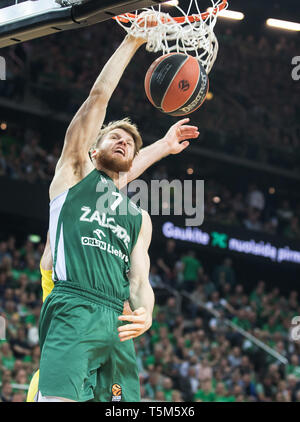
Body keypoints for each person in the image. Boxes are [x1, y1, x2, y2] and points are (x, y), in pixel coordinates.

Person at [31, 25, 199, 403]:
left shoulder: (138, 217)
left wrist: (148, 313)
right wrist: (133, 40)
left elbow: (140, 280)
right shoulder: (73, 174)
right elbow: (98, 99)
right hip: (73, 305)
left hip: (117, 321)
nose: (123, 141)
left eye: (129, 143)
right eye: (114, 137)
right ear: (92, 150)